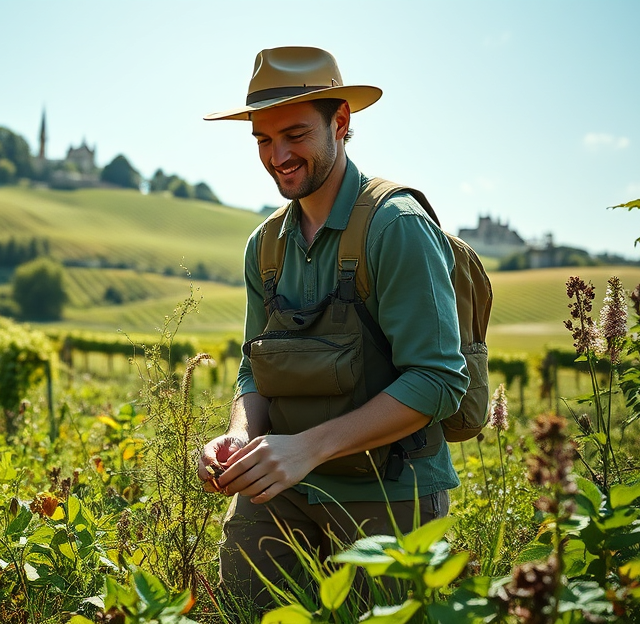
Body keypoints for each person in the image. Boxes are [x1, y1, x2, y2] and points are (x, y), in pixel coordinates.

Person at [197, 46, 470, 609]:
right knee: (246, 610)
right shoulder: (265, 245)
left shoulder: (396, 227)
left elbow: (439, 381)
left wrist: (306, 449)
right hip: (282, 488)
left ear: (340, 123)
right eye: (264, 141)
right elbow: (255, 368)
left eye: (294, 135)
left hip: (388, 491)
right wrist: (243, 435)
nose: (278, 156)